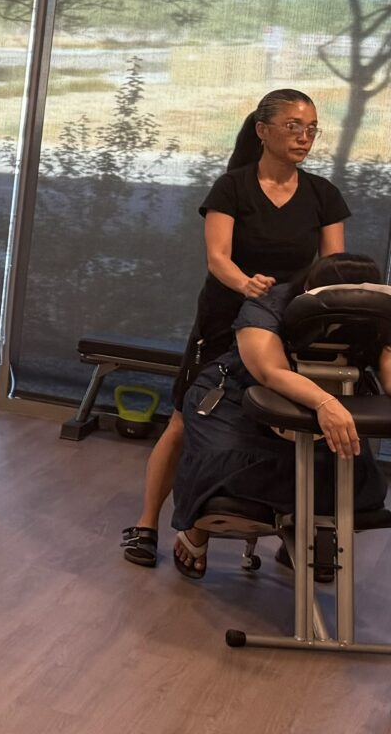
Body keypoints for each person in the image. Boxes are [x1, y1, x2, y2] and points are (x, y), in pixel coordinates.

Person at [121, 89, 348, 567]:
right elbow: (217, 258)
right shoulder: (233, 188)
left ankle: (293, 530)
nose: (304, 137)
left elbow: (333, 271)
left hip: (286, 325)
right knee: (186, 419)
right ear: (263, 131)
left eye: (311, 128)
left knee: (286, 426)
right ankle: (146, 524)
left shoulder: (323, 194)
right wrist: (248, 285)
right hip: (224, 317)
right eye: (292, 126)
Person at [170, 253, 390, 578]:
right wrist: (325, 404)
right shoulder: (270, 303)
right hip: (240, 393)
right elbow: (270, 371)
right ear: (311, 288)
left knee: (345, 479)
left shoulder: (375, 313)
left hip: (330, 398)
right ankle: (197, 529)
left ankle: (305, 531)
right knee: (225, 473)